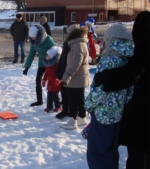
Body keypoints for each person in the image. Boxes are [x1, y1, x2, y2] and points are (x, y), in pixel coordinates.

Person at [92, 11, 150, 169]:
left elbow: (132, 73)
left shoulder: (144, 49)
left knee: (138, 155)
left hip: (143, 117)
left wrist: (104, 78)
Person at [85, 23, 135, 169]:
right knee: (111, 150)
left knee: (97, 153)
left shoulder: (109, 59)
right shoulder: (128, 58)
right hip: (118, 114)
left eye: (106, 40)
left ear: (112, 39)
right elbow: (130, 90)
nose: (104, 43)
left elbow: (100, 89)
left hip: (102, 114)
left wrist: (88, 104)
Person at [59, 24, 90, 129]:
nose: (66, 35)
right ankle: (81, 117)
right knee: (78, 98)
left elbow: (75, 63)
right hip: (77, 77)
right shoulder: (77, 43)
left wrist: (67, 75)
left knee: (73, 99)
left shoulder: (78, 45)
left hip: (76, 77)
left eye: (68, 33)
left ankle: (73, 120)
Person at [23, 25, 56, 107]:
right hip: (41, 63)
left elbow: (55, 50)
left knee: (53, 82)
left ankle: (57, 100)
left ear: (39, 35)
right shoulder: (33, 43)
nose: (33, 39)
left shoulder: (48, 40)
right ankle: (39, 100)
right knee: (38, 80)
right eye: (31, 37)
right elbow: (31, 54)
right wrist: (27, 67)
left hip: (51, 64)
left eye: (34, 37)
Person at [55, 26, 70, 119]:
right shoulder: (67, 43)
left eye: (67, 33)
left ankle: (71, 111)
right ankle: (65, 110)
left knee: (70, 93)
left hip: (70, 72)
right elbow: (63, 58)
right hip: (64, 70)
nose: (66, 35)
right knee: (64, 91)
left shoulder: (74, 44)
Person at [42, 46, 62, 113]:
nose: (46, 57)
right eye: (46, 55)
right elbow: (46, 73)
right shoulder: (48, 65)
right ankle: (49, 107)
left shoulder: (56, 65)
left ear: (52, 57)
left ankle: (58, 106)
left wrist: (59, 79)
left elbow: (61, 73)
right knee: (49, 95)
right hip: (50, 83)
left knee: (55, 95)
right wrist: (44, 79)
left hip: (56, 83)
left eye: (48, 56)